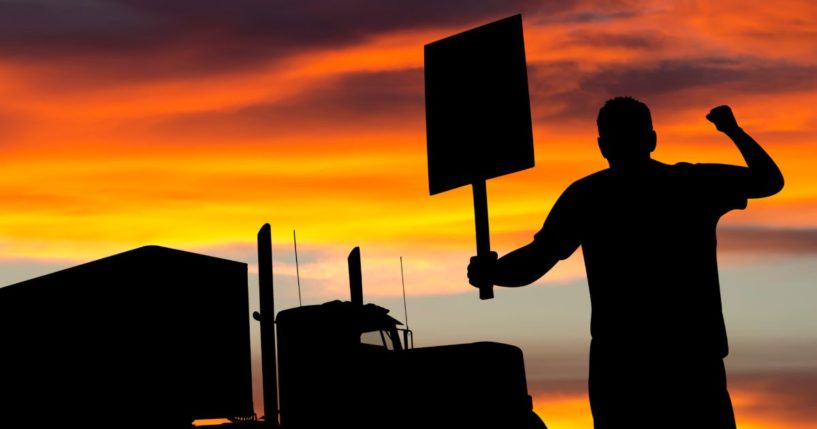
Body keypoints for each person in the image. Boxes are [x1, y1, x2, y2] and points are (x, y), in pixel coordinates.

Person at [467, 97, 784, 429]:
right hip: (686, 358)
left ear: (603, 146)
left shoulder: (589, 195)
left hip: (627, 362)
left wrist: (494, 273)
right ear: (651, 140)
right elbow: (769, 181)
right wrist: (733, 131)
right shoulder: (690, 184)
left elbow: (537, 260)